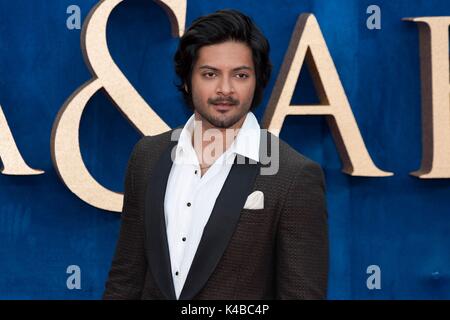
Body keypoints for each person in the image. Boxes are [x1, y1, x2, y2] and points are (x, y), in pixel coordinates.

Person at [103, 9, 328, 300]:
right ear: (186, 80)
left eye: (240, 75)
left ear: (257, 81)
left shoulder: (293, 175)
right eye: (210, 74)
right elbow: (125, 280)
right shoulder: (147, 156)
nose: (225, 89)